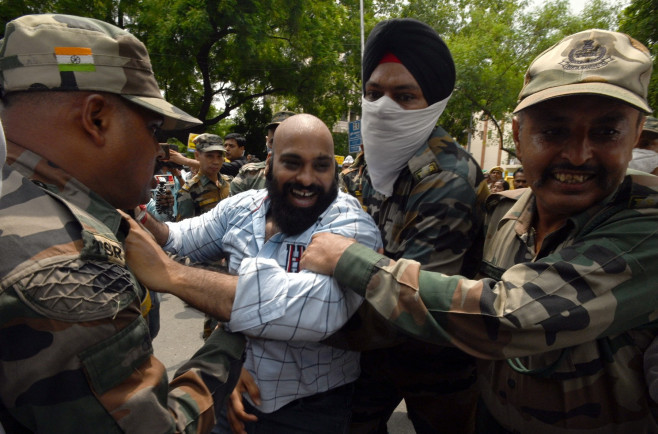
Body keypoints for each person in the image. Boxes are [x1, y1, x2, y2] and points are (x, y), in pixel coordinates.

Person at [300, 29, 658, 433]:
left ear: (637, 132)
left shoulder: (646, 225)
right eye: (553, 131)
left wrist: (332, 277)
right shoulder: (505, 214)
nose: (577, 154)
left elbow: (508, 314)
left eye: (607, 131)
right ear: (519, 135)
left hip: (437, 375)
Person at [0, 13, 244, 433]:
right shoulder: (69, 272)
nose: (158, 150)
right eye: (153, 128)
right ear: (96, 119)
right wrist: (230, 343)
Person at [125, 114, 382, 433]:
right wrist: (137, 215)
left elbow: (317, 310)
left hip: (310, 412)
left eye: (321, 165)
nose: (306, 178)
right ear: (270, 163)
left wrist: (172, 276)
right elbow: (180, 237)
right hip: (229, 395)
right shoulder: (242, 208)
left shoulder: (351, 225)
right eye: (292, 163)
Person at [331, 18, 488, 434]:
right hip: (370, 353)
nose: (384, 108)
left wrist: (289, 318)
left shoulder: (446, 178)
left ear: (433, 103)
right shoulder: (367, 168)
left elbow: (409, 304)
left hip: (439, 364)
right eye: (373, 93)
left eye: (404, 96)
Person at [229, 111, 295, 195]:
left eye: (288, 142)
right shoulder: (248, 174)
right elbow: (233, 206)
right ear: (267, 141)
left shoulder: (309, 178)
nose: (280, 148)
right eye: (273, 142)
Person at [176, 133, 230, 221]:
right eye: (210, 156)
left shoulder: (230, 182)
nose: (216, 162)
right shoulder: (188, 191)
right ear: (197, 155)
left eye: (219, 156)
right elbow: (184, 230)